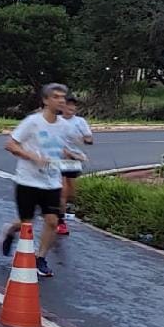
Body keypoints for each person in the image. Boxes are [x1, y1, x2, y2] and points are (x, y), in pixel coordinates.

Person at [1, 83, 85, 278]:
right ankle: (10, 231)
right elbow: (11, 144)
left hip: (52, 182)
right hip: (28, 180)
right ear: (46, 100)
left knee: (52, 221)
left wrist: (74, 155)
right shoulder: (33, 122)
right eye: (56, 97)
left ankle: (40, 257)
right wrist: (32, 156)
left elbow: (59, 148)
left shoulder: (64, 126)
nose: (61, 100)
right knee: (26, 223)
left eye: (63, 97)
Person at [56, 95, 94, 235]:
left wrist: (84, 139)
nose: (71, 108)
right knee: (63, 189)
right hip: (58, 158)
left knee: (71, 192)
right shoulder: (56, 121)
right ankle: (60, 221)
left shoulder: (80, 121)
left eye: (73, 106)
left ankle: (60, 208)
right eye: (68, 105)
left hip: (75, 159)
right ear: (62, 107)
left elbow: (89, 139)